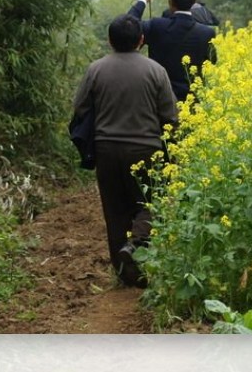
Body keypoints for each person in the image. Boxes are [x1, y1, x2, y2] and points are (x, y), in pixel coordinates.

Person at [72, 14, 178, 287]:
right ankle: (138, 243)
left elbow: (81, 107)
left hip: (106, 149)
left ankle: (125, 274)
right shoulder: (156, 70)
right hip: (146, 149)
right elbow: (170, 116)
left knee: (115, 211)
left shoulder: (95, 69)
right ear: (142, 40)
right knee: (151, 204)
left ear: (109, 40)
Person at [128, 0, 217, 103]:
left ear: (170, 1)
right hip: (192, 105)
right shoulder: (207, 33)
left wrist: (144, 0)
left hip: (158, 102)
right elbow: (212, 62)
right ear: (194, 1)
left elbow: (127, 26)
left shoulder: (156, 26)